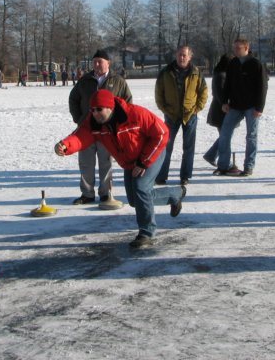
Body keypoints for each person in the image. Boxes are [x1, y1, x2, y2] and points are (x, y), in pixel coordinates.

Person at [55, 90, 185, 248]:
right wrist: (65, 145)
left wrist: (143, 162)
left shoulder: (135, 114)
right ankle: (175, 194)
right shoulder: (94, 123)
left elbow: (162, 133)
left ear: (110, 108)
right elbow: (81, 135)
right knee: (134, 200)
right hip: (130, 161)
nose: (95, 113)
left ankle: (146, 233)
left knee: (141, 188)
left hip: (152, 153)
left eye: (99, 109)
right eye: (92, 110)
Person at [68, 49, 132, 205]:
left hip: (107, 130)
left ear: (108, 63)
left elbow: (127, 103)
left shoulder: (117, 81)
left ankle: (105, 193)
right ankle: (87, 193)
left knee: (106, 162)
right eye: (94, 61)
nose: (96, 64)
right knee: (86, 162)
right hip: (87, 129)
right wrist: (79, 118)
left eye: (100, 61)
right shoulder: (85, 80)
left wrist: (119, 123)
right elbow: (73, 99)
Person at [154, 45, 208, 185]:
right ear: (176, 55)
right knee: (166, 146)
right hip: (171, 115)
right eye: (179, 55)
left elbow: (203, 91)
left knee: (188, 148)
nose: (181, 57)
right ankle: (161, 175)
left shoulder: (196, 73)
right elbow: (159, 92)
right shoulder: (166, 72)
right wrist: (164, 109)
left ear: (190, 56)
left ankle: (185, 176)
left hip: (189, 115)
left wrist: (197, 108)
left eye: (184, 55)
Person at [214, 38, 268, 176]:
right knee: (225, 134)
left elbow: (262, 86)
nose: (236, 50)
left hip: (252, 106)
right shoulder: (233, 63)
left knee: (251, 136)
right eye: (235, 48)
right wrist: (224, 102)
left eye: (239, 48)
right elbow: (228, 85)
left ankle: (248, 166)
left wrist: (259, 108)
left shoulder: (256, 64)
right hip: (235, 105)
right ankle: (223, 165)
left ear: (246, 48)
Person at [203, 53, 233, 167]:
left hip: (221, 109)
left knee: (225, 136)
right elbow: (220, 94)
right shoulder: (221, 75)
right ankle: (220, 159)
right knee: (225, 136)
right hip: (221, 111)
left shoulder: (222, 74)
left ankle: (212, 155)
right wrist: (226, 104)